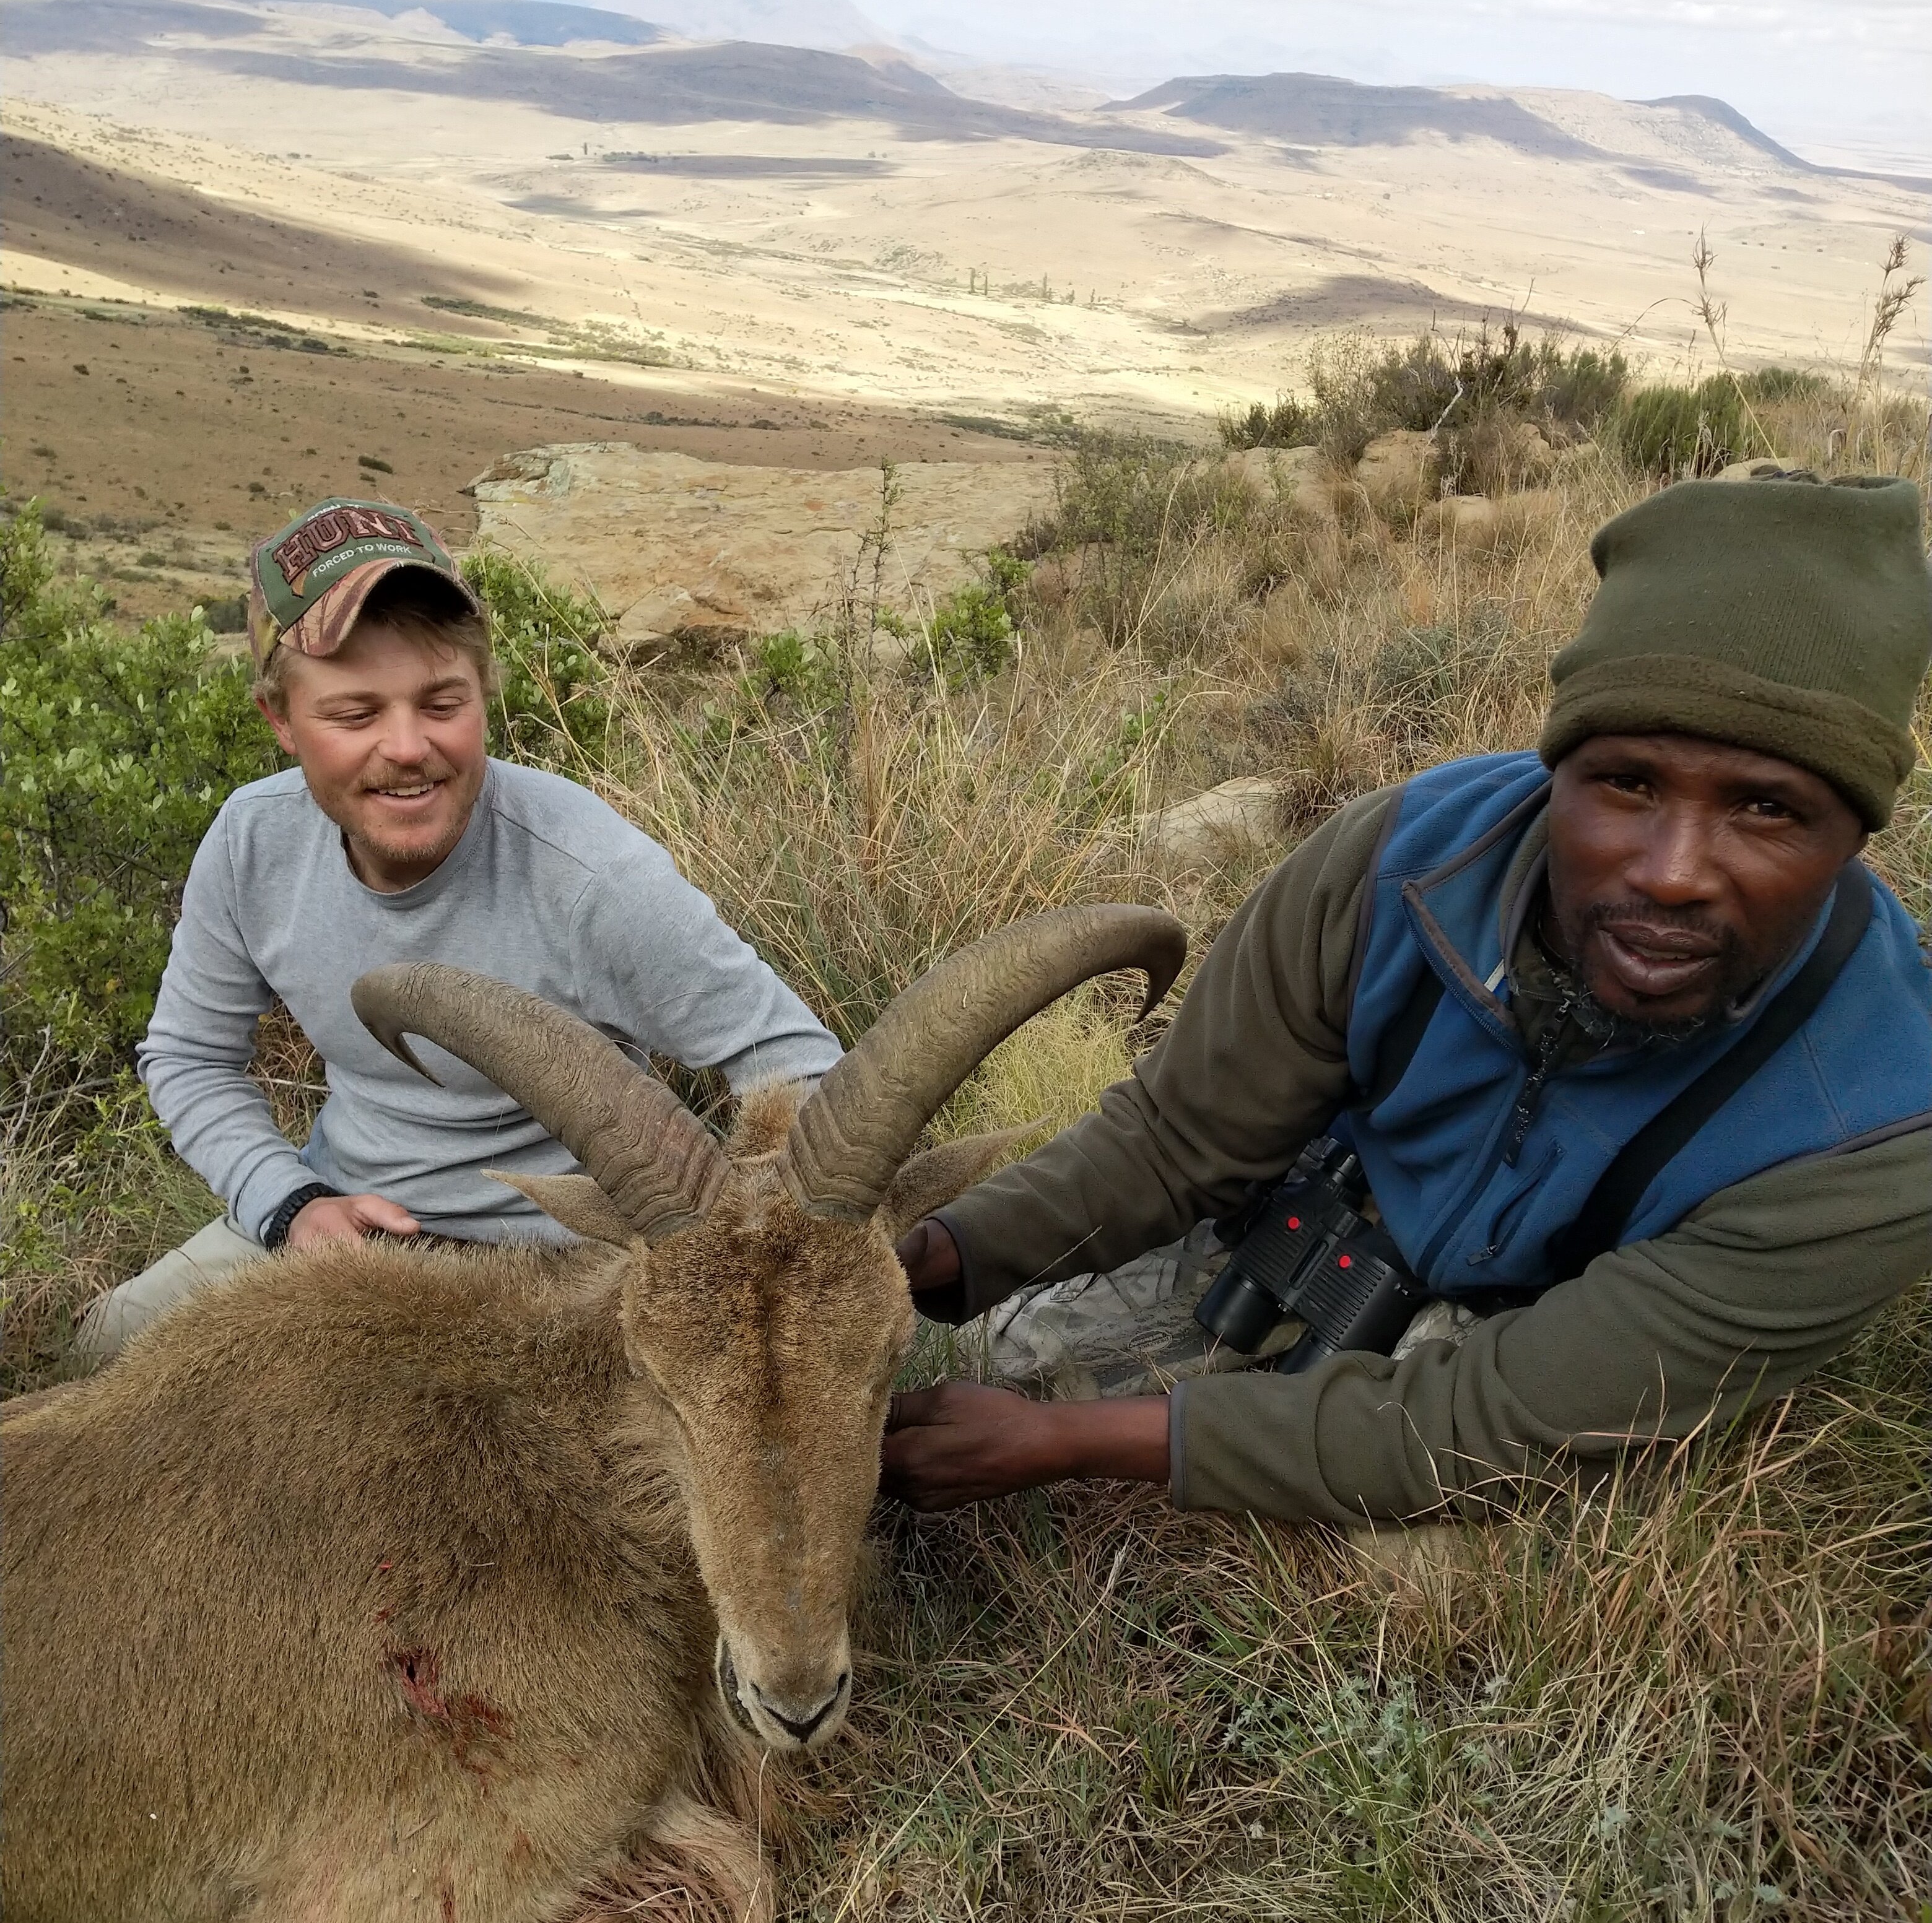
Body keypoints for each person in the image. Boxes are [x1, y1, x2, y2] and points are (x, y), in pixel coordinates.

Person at [882, 469, 1932, 1523]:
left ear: (1853, 837)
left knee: (1407, 1556)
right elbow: (1175, 1141)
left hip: (1550, 1344)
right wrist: (925, 1256)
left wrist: (1064, 1445)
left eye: (1766, 808)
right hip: (1318, 1227)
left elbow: (1492, 1421)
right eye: (1629, 783)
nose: (1671, 871)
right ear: (1558, 767)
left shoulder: (1877, 1134)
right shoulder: (1396, 862)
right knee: (986, 1346)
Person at [76, 497, 841, 1360]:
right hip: (343, 1227)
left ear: (484, 696)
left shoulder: (589, 874)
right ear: (281, 721)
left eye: (441, 703)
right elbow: (189, 1057)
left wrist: (735, 1251)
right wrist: (290, 1207)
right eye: (355, 715)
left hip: (572, 1268)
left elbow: (803, 1071)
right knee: (101, 1351)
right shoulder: (253, 843)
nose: (407, 748)